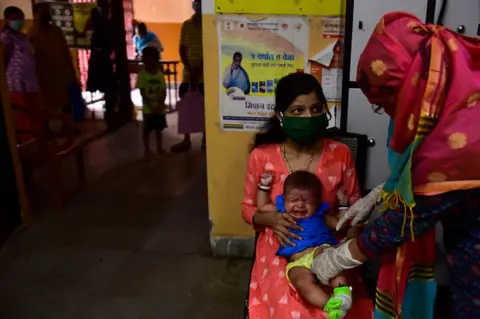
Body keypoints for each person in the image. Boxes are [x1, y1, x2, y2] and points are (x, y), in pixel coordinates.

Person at [311, 12, 480, 319]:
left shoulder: (462, 142)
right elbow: (427, 177)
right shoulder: (456, 89)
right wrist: (382, 192)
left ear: (414, 87)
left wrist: (338, 259)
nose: (391, 116)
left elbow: (405, 221)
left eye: (388, 104)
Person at [243, 72, 373, 319]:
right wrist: (269, 220)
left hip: (329, 244)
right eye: (297, 111)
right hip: (281, 249)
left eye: (315, 108)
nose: (309, 116)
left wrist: (351, 244)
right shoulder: (262, 156)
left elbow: (357, 210)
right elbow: (247, 209)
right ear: (280, 116)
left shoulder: (340, 154)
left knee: (347, 304)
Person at [257, 170, 352, 318]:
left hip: (319, 251)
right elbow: (262, 207)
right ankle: (331, 305)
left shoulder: (320, 215)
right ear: (284, 199)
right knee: (300, 282)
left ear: (317, 203)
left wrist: (343, 205)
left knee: (331, 263)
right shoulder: (281, 212)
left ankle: (343, 292)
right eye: (293, 200)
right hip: (298, 262)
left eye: (307, 202)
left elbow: (339, 225)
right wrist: (264, 186)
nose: (300, 205)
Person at [1, 6, 42, 142]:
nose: (19, 21)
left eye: (21, 18)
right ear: (7, 21)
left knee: (34, 113)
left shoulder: (22, 36)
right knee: (23, 115)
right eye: (15, 19)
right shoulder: (6, 38)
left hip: (30, 82)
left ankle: (35, 141)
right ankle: (26, 142)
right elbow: (3, 59)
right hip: (17, 83)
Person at [29, 3, 77, 113]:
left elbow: (65, 51)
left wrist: (71, 70)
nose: (46, 15)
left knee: (65, 102)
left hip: (59, 73)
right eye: (42, 13)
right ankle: (47, 127)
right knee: (45, 103)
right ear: (35, 15)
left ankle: (68, 126)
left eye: (47, 12)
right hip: (42, 75)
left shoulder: (56, 31)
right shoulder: (32, 33)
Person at [171, 0, 205, 152]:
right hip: (188, 74)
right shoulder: (186, 25)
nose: (197, 5)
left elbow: (211, 49)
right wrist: (190, 69)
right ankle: (186, 139)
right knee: (186, 107)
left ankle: (206, 139)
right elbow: (182, 49)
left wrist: (201, 68)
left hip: (206, 76)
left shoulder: (210, 24)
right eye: (196, 2)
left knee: (205, 107)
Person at [136, 47, 167, 157]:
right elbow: (143, 93)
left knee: (159, 129)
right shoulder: (142, 75)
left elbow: (164, 91)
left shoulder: (160, 75)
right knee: (147, 130)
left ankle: (159, 148)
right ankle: (147, 150)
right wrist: (150, 106)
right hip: (148, 109)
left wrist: (160, 104)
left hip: (159, 108)